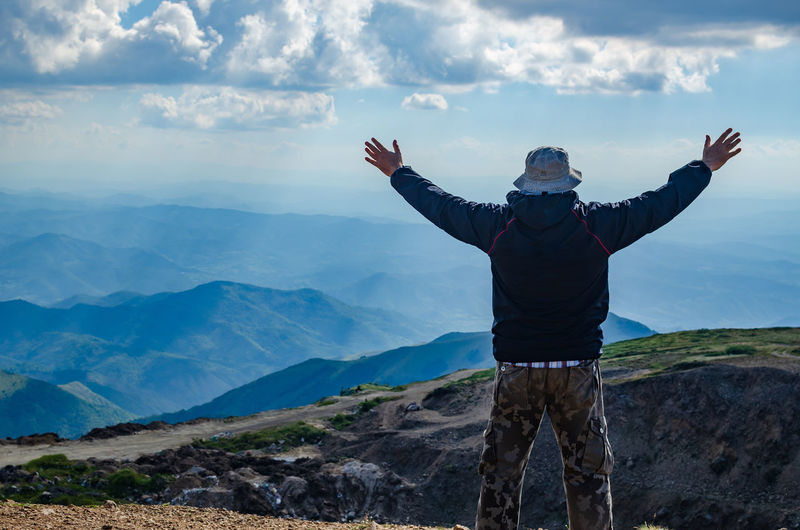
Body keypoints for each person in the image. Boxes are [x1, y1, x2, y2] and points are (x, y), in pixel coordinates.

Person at [364, 129, 741, 530]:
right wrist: (703, 167)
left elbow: (443, 206)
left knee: (501, 475)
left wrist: (399, 173)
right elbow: (658, 204)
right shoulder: (600, 225)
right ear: (569, 183)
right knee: (588, 473)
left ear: (526, 182)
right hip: (577, 368)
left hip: (517, 370)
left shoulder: (496, 226)